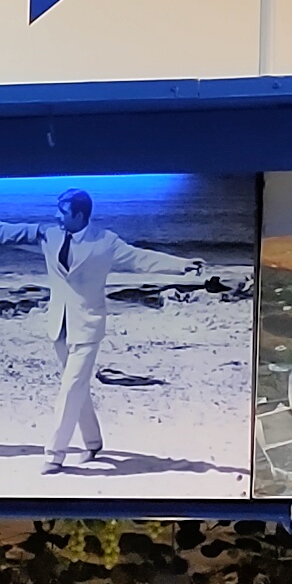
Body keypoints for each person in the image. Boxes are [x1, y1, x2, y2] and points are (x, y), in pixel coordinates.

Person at [39, 189, 202, 472]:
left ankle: (54, 455)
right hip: (59, 326)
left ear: (79, 214)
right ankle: (93, 442)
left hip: (88, 326)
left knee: (70, 388)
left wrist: (181, 266)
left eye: (62, 212)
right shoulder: (50, 235)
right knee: (76, 387)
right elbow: (6, 233)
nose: (56, 216)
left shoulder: (105, 242)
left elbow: (140, 258)